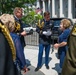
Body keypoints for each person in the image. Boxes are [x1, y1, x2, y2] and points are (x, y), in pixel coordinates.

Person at [13, 7, 30, 72]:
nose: (22, 14)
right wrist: (20, 34)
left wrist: (25, 32)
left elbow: (21, 29)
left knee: (21, 54)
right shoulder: (13, 20)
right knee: (17, 55)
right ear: (16, 13)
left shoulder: (20, 20)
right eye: (20, 12)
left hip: (21, 41)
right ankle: (18, 69)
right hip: (16, 41)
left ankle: (21, 66)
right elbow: (12, 33)